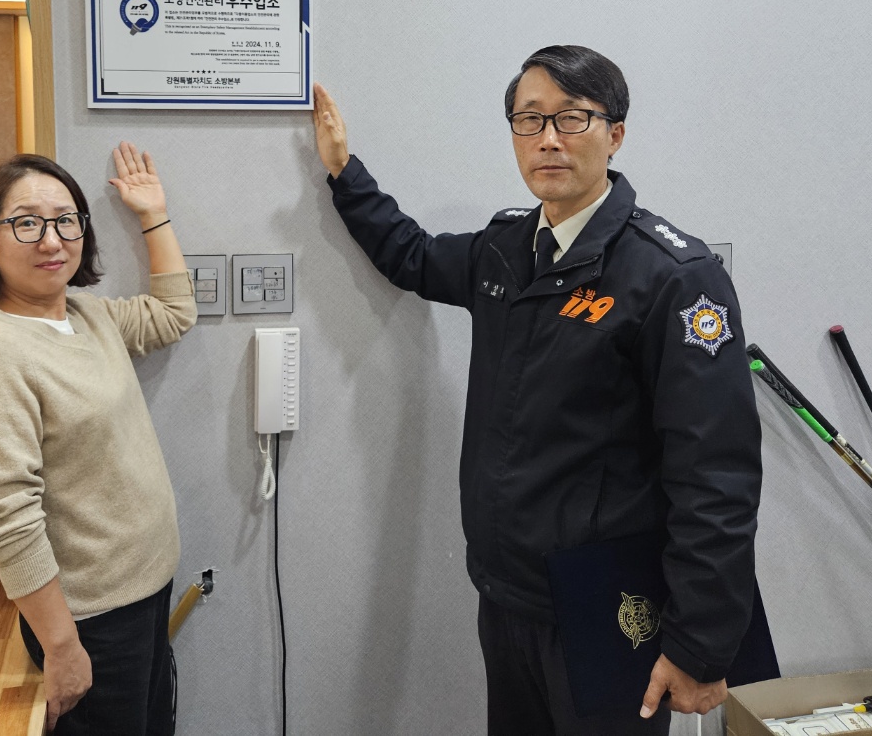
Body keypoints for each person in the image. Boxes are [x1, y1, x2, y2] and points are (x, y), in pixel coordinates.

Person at [312, 46, 761, 735]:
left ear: (615, 134)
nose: (548, 139)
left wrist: (700, 643)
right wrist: (345, 173)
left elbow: (717, 474)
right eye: (530, 120)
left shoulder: (671, 277)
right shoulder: (505, 250)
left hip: (608, 601)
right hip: (508, 592)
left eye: (572, 118)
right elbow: (414, 255)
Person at [0, 145, 195, 735]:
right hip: (91, 622)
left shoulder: (84, 316)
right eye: (26, 223)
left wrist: (153, 213)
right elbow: (7, 519)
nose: (52, 240)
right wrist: (61, 646)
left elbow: (173, 314)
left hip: (144, 593)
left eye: (65, 220)